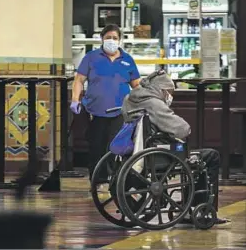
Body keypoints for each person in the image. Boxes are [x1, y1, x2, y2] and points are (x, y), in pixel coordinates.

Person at [122, 70, 229, 224]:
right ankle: (201, 209)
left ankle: (188, 208)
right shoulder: (154, 103)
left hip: (138, 149)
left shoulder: (129, 99)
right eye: (169, 91)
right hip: (159, 153)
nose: (170, 95)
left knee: (194, 155)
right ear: (161, 89)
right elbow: (182, 129)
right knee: (210, 156)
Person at [70, 24, 141, 181]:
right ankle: (97, 181)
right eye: (108, 37)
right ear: (102, 39)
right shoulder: (91, 57)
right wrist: (75, 99)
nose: (111, 41)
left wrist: (143, 101)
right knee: (96, 147)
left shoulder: (127, 60)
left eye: (115, 38)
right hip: (95, 111)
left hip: (120, 111)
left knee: (115, 147)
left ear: (120, 40)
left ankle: (114, 180)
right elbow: (79, 80)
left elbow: (136, 85)